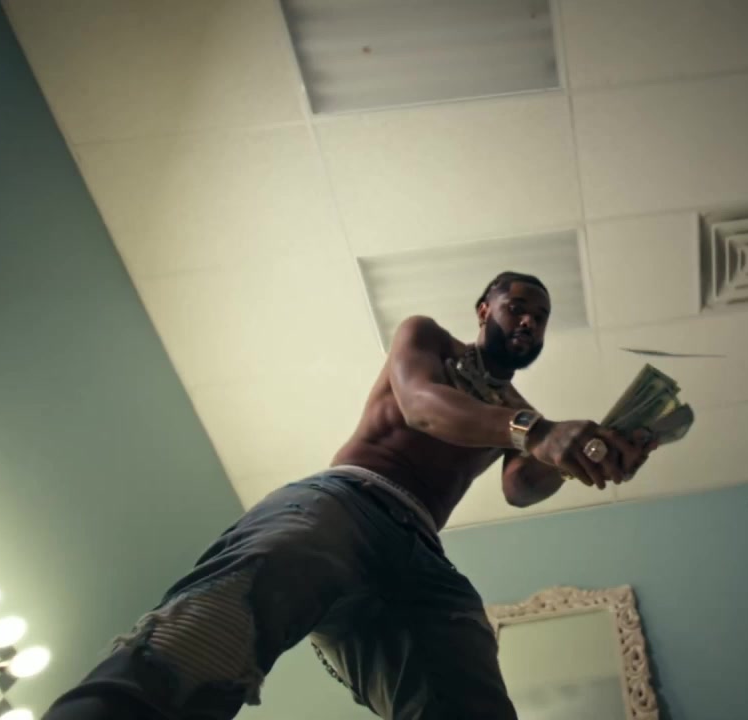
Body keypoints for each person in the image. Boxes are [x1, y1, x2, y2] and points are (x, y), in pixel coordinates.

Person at [43, 271, 657, 720]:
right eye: (517, 307)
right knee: (221, 623)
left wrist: (585, 456)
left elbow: (521, 488)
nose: (528, 322)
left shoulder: (519, 409)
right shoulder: (429, 340)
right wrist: (535, 432)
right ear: (483, 308)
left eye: (540, 317)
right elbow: (422, 406)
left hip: (423, 557)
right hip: (344, 503)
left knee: (469, 699)